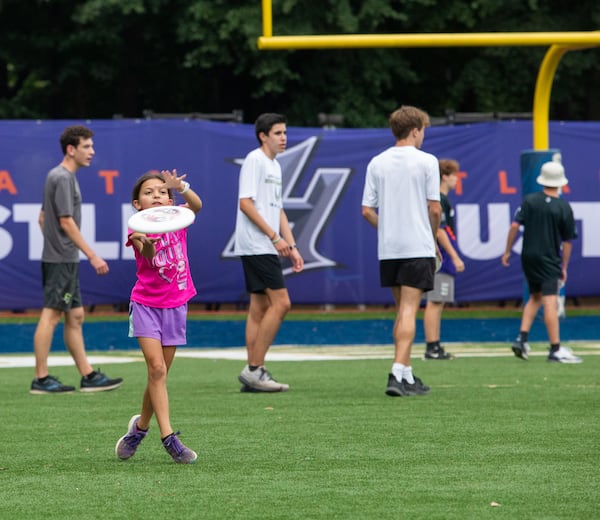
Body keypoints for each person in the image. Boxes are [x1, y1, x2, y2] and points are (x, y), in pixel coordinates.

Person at [115, 170, 202, 464]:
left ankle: (139, 430)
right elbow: (149, 258)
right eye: (148, 193)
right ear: (137, 204)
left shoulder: (179, 219)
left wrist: (182, 186)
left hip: (176, 304)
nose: (156, 196)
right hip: (145, 304)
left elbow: (197, 205)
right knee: (156, 368)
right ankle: (170, 439)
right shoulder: (136, 229)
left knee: (159, 373)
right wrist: (148, 243)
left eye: (162, 192)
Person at [30, 125, 123, 394]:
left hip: (62, 257)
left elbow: (42, 218)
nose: (92, 152)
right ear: (71, 149)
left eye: (92, 146)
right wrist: (92, 255)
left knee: (76, 315)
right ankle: (41, 378)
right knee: (52, 315)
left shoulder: (60, 176)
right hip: (61, 260)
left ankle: (88, 375)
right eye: (86, 147)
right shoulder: (62, 178)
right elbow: (65, 222)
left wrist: (55, 244)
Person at [361, 105, 441, 397]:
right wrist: (431, 240)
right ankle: (396, 373)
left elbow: (367, 211)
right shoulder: (427, 161)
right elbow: (434, 209)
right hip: (416, 246)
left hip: (389, 248)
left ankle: (406, 374)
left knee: (402, 310)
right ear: (415, 130)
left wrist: (387, 228)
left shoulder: (377, 162)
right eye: (423, 131)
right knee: (410, 309)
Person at [234, 113, 304, 392]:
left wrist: (292, 245)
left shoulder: (274, 166)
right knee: (282, 303)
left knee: (259, 307)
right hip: (256, 243)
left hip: (264, 243)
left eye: (285, 132)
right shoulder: (255, 160)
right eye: (277, 133)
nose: (283, 137)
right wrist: (274, 238)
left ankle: (255, 370)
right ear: (263, 136)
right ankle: (254, 369)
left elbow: (278, 208)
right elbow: (246, 204)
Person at [501, 161, 581, 363]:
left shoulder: (529, 201)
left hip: (528, 256)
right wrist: (564, 266)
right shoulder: (563, 206)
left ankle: (522, 338)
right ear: (560, 182)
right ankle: (555, 348)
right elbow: (568, 241)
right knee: (550, 301)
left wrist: (508, 251)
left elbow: (514, 226)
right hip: (549, 258)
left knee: (535, 297)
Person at [423, 159, 465, 360]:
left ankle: (435, 346)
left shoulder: (442, 199)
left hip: (441, 255)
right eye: (454, 175)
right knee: (436, 300)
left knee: (439, 301)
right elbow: (440, 231)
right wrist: (455, 256)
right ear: (445, 177)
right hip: (440, 256)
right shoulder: (439, 199)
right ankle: (432, 347)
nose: (456, 179)